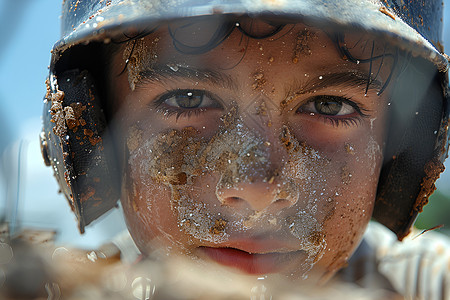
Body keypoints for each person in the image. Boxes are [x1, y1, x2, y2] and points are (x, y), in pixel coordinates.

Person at [39, 0, 449, 298]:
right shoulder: (67, 288)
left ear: (399, 147)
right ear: (94, 126)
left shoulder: (426, 284)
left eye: (329, 106)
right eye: (188, 99)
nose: (258, 189)